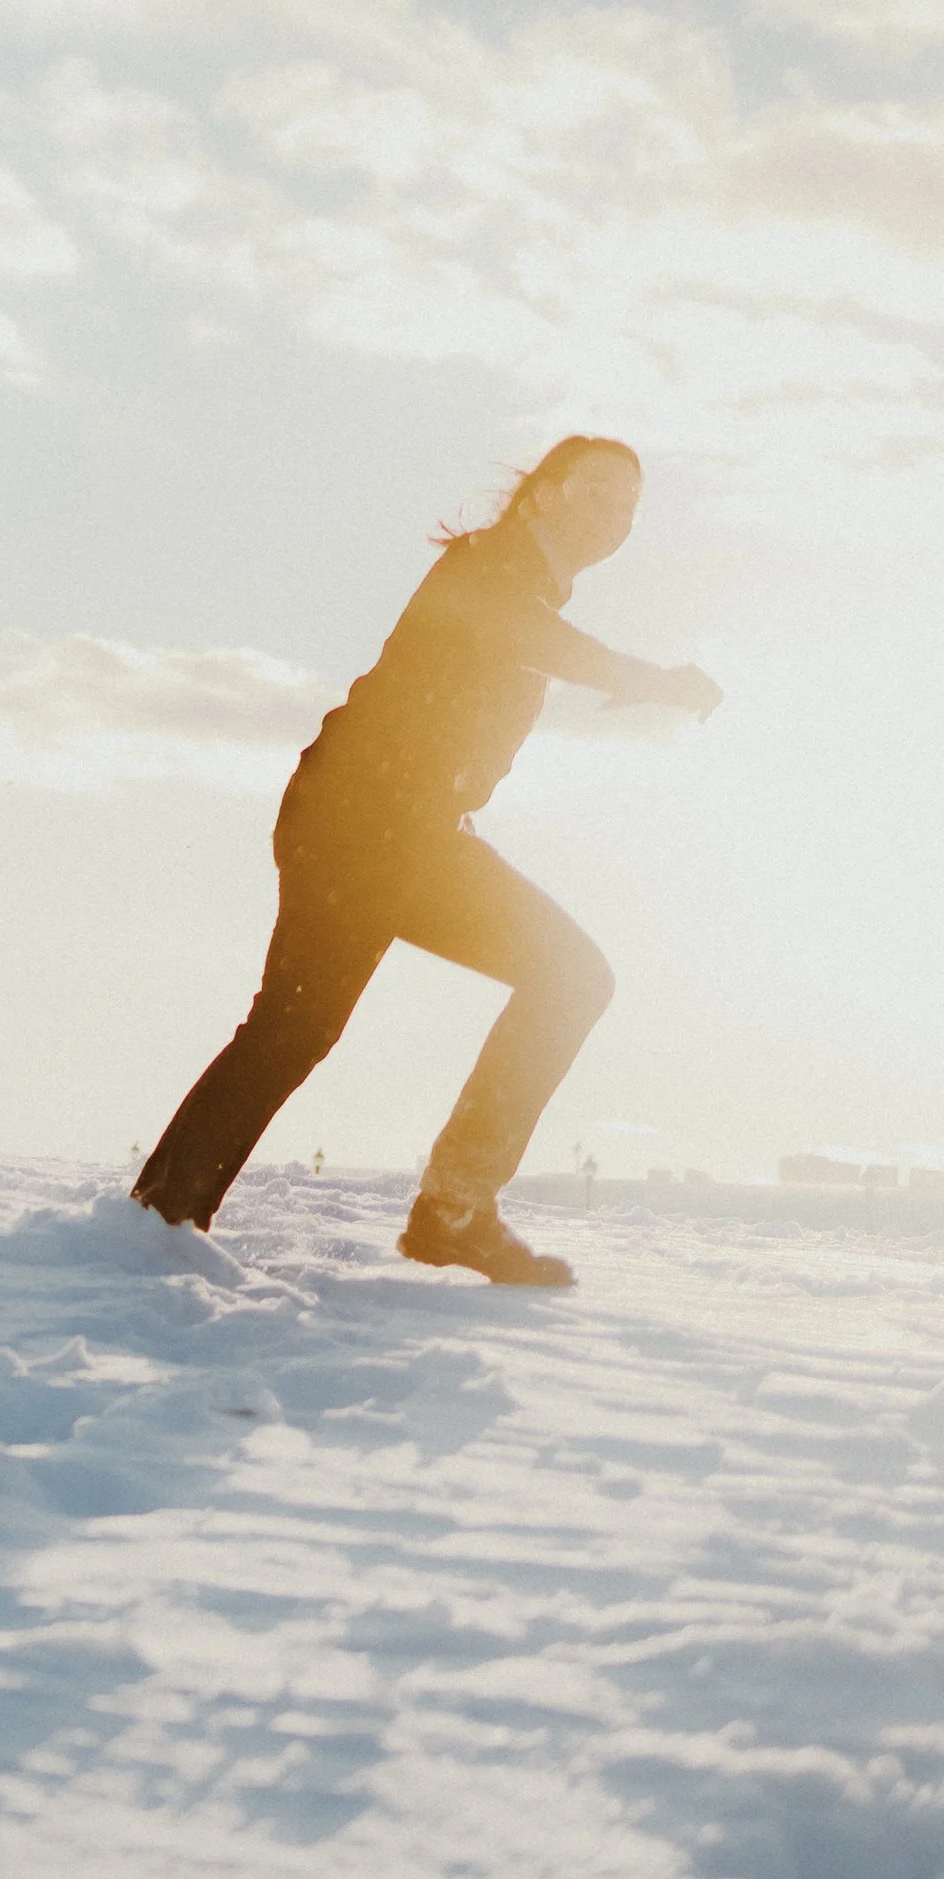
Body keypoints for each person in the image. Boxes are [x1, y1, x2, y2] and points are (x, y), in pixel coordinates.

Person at [131, 439, 717, 1287]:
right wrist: (648, 679)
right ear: (541, 494)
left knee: (556, 980)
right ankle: (168, 1218)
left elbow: (523, 646)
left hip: (408, 833)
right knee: (300, 1025)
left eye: (629, 504)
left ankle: (438, 1213)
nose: (613, 516)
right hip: (358, 825)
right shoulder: (489, 565)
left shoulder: (525, 584)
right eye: (596, 492)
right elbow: (524, 632)